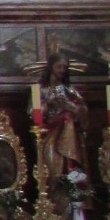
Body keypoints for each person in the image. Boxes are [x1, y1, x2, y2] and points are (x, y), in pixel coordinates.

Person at [39, 53, 88, 209]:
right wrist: (47, 102)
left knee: (70, 166)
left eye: (64, 67)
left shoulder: (70, 90)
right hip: (50, 134)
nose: (61, 70)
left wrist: (72, 107)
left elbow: (83, 112)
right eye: (58, 66)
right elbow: (33, 113)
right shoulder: (42, 91)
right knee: (52, 169)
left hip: (70, 134)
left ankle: (73, 205)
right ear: (50, 68)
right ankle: (54, 203)